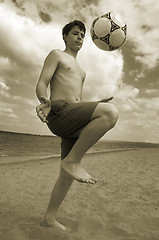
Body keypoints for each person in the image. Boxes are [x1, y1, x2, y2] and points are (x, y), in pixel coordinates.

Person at [36, 20, 118, 231]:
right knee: (111, 114)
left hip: (72, 114)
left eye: (82, 34)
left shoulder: (82, 71)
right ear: (65, 36)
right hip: (58, 110)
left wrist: (95, 105)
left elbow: (77, 101)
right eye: (75, 33)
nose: (80, 37)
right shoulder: (57, 55)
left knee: (66, 177)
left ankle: (49, 218)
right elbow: (42, 83)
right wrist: (44, 101)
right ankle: (73, 161)